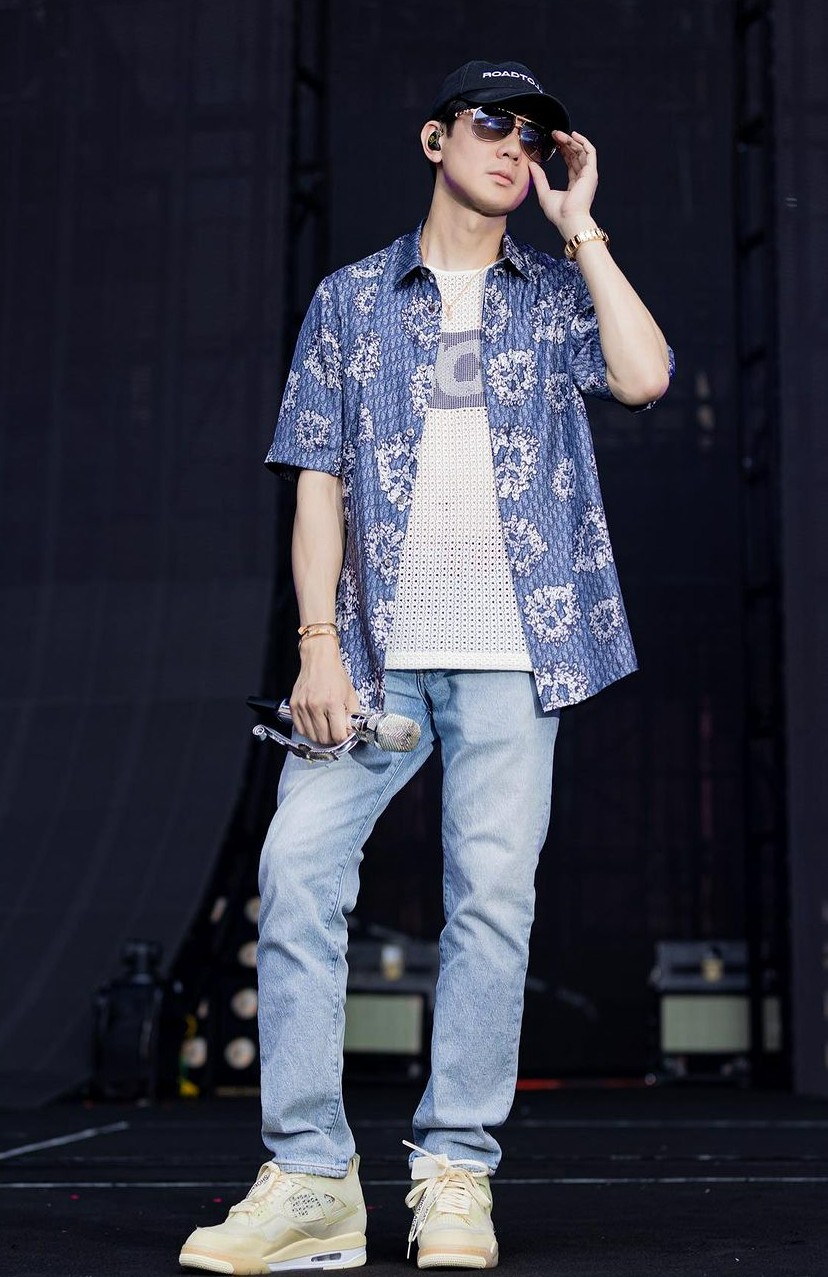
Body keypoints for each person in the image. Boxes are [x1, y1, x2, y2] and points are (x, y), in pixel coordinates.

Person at [179, 58, 672, 1274]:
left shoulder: (553, 294)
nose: (514, 146)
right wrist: (317, 645)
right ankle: (311, 1180)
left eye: (535, 136)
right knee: (296, 870)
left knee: (491, 904)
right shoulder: (351, 301)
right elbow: (317, 479)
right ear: (435, 139)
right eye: (492, 123)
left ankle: (456, 1167)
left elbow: (644, 375)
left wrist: (583, 224)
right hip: (373, 658)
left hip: (514, 653)